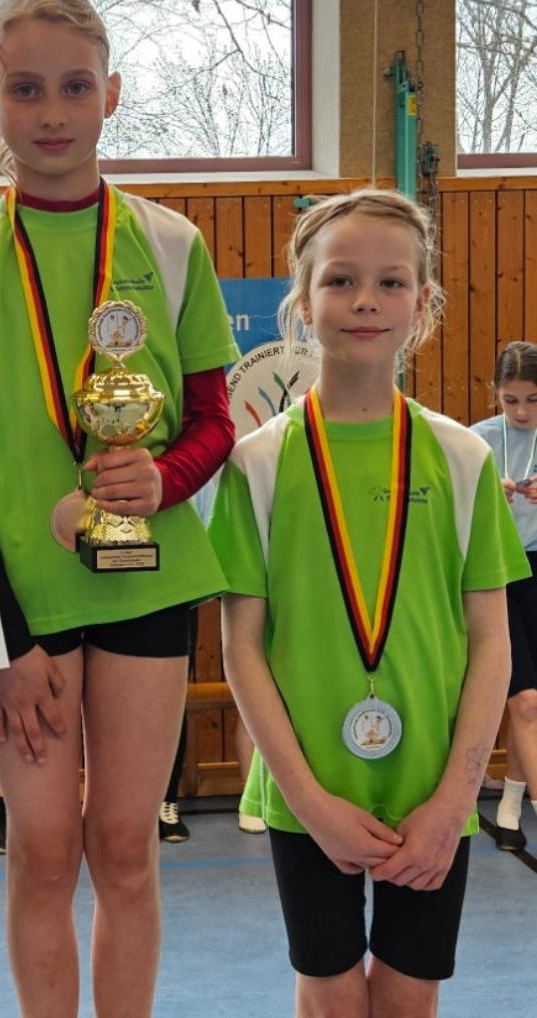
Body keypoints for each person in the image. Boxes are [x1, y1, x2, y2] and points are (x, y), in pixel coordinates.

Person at [0, 0, 239, 1018]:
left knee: (126, 846)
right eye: (26, 88)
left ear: (112, 95)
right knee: (42, 851)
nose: (52, 112)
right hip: (23, 608)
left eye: (75, 87)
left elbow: (213, 421)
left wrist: (163, 477)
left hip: (147, 581)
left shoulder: (170, 244)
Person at [209, 188, 526, 1017]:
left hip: (433, 789)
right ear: (302, 299)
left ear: (422, 303)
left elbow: (492, 642)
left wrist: (455, 800)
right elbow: (242, 648)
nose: (364, 301)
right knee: (330, 995)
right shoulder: (258, 464)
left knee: (410, 998)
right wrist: (309, 802)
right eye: (340, 280)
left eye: (391, 283)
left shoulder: (462, 457)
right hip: (307, 791)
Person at [470, 340, 537, 851]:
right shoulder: (477, 442)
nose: (521, 411)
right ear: (496, 393)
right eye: (510, 400)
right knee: (525, 700)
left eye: (532, 400)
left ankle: (511, 804)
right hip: (498, 575)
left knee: (532, 707)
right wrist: (487, 493)